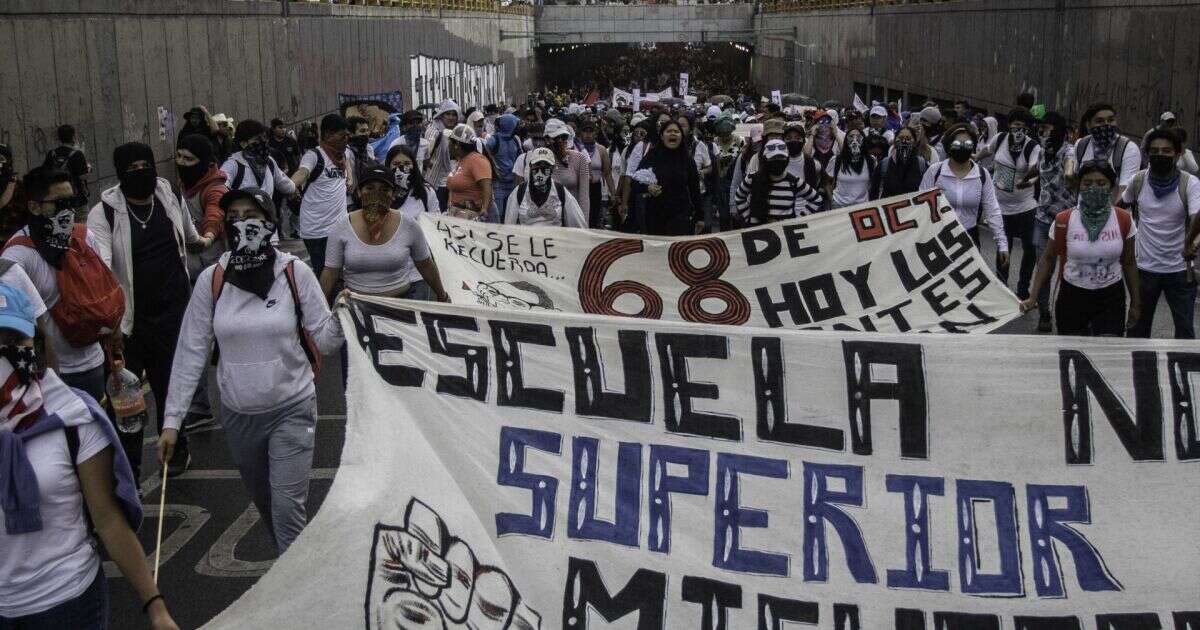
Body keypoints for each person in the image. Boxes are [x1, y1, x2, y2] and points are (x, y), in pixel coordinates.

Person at [158, 187, 343, 554]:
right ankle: (291, 574)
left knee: (288, 512)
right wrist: (172, 421)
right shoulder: (212, 279)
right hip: (240, 417)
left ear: (270, 223)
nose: (242, 223)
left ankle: (298, 599)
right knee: (269, 510)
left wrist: (343, 316)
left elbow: (324, 340)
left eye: (252, 215)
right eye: (234, 217)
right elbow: (191, 349)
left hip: (293, 408)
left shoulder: (294, 273)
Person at [0, 284, 180, 630]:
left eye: (12, 339)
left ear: (33, 345)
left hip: (68, 604)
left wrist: (155, 607)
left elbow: (108, 520)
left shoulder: (71, 416)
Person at [86, 142, 206, 479]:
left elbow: (190, 235)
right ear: (120, 174)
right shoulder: (105, 212)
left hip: (173, 316)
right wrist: (109, 326)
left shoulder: (168, 194)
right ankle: (129, 471)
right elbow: (102, 266)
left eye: (146, 165)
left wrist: (209, 238)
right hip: (129, 325)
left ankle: (178, 446)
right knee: (128, 403)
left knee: (172, 387)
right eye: (132, 168)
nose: (141, 173)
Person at [3, 166, 103, 401]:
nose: (66, 210)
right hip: (53, 376)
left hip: (96, 361)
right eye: (58, 202)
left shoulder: (84, 237)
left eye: (71, 201)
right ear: (34, 207)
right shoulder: (17, 256)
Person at [1022, 162, 1139, 337]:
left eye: (1101, 183)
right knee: (1072, 354)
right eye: (1087, 183)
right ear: (1079, 186)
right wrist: (1033, 296)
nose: (1093, 188)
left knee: (1108, 354)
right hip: (1072, 297)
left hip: (1110, 298)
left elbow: (1129, 263)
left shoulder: (1124, 220)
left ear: (1112, 187)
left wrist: (1136, 304)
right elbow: (1046, 259)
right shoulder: (1064, 220)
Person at [321, 166, 449, 304]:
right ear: (359, 192)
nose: (376, 195)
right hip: (356, 308)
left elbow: (425, 265)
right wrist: (318, 309)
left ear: (393, 195)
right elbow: (330, 272)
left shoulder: (409, 225)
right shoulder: (342, 226)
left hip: (401, 307)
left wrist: (442, 296)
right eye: (369, 189)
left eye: (384, 190)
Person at [1124, 129, 1200, 339]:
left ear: (1178, 154)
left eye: (1166, 151)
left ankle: (1185, 371)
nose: (1160, 155)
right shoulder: (1138, 181)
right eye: (1155, 151)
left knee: (1185, 332)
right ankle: (1138, 371)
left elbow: (1197, 218)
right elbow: (1120, 208)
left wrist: (1192, 243)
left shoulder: (1189, 184)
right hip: (1144, 270)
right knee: (1138, 330)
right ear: (1147, 154)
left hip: (1179, 271)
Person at [975, 108, 1044, 299]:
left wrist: (1027, 179)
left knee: (1029, 249)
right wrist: (974, 158)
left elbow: (1034, 169)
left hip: (1026, 207)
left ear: (1028, 128)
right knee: (1003, 247)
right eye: (1014, 123)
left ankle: (1023, 289)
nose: (1017, 128)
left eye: (1021, 125)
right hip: (1001, 206)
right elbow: (986, 151)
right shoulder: (1000, 139)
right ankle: (1002, 287)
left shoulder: (1033, 147)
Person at [920, 124, 1009, 262]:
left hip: (969, 238)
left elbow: (992, 209)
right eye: (957, 143)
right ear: (949, 146)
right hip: (938, 237)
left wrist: (1002, 243)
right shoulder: (934, 172)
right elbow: (921, 205)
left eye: (967, 143)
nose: (962, 147)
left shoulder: (981, 175)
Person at [290, 113, 354, 276]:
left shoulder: (343, 155)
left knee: (343, 271)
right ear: (327, 135)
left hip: (340, 226)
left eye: (348, 135)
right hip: (317, 230)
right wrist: (291, 185)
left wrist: (350, 178)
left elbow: (346, 164)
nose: (346, 139)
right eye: (342, 135)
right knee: (324, 273)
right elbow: (303, 172)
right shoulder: (314, 156)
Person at [1031, 112, 1077, 332]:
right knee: (1043, 268)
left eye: (1048, 129)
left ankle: (1065, 310)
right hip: (1042, 218)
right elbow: (1040, 173)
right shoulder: (1042, 151)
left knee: (1069, 270)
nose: (1043, 133)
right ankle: (1044, 313)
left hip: (1065, 221)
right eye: (1041, 129)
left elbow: (1069, 166)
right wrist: (1025, 180)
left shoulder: (1069, 151)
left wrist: (1069, 175)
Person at [633, 120, 703, 236]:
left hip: (681, 215)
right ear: (661, 136)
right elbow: (635, 182)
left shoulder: (687, 159)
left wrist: (700, 216)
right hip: (655, 215)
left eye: (676, 131)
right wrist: (648, 188)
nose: (673, 134)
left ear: (681, 136)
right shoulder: (652, 156)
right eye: (669, 131)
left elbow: (695, 189)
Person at [734, 138, 824, 225]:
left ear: (787, 159)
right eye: (773, 158)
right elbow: (739, 196)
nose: (777, 161)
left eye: (781, 157)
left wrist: (798, 219)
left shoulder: (794, 181)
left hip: (784, 234)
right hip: (757, 233)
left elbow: (817, 199)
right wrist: (748, 217)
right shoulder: (752, 178)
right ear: (765, 160)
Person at [504, 148, 588, 228]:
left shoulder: (561, 192)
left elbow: (578, 225)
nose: (540, 171)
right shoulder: (519, 192)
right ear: (530, 166)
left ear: (552, 168)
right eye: (537, 165)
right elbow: (509, 226)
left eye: (545, 166)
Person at [1074, 103, 1142, 199]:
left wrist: (1108, 213)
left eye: (1111, 120)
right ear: (1088, 125)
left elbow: (1124, 193)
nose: (1106, 124)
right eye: (1099, 121)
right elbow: (1076, 183)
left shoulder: (1128, 149)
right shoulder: (1081, 145)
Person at [222, 120, 297, 201]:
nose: (263, 141)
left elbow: (285, 184)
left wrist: (295, 189)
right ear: (243, 144)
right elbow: (220, 188)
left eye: (264, 137)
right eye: (257, 139)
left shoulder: (269, 162)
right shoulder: (233, 164)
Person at [544, 119, 591, 225]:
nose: (560, 141)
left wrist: (584, 224)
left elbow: (584, 197)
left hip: (572, 218)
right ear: (547, 139)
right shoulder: (539, 160)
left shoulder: (579, 159)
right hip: (547, 220)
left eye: (564, 137)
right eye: (556, 137)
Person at [825, 128, 879, 209]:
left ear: (864, 140)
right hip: (839, 205)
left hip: (862, 207)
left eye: (858, 137)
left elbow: (874, 183)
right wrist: (831, 200)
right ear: (846, 140)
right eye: (851, 136)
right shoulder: (836, 160)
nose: (855, 140)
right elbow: (827, 183)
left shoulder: (871, 160)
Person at [484, 113, 523, 223]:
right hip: (498, 184)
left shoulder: (515, 140)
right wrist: (494, 168)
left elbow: (520, 157)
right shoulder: (494, 140)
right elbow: (485, 153)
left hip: (512, 182)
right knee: (499, 214)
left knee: (511, 213)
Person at [384, 145, 441, 220]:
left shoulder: (426, 192)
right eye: (396, 164)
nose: (402, 168)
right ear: (388, 166)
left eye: (407, 163)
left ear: (414, 165)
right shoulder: (381, 190)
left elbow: (436, 222)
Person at [424, 100, 461, 209]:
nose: (451, 117)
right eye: (447, 114)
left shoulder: (457, 132)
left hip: (452, 184)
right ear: (441, 115)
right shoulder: (433, 131)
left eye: (454, 114)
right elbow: (426, 154)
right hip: (436, 183)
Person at [41, 125, 90, 202]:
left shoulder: (52, 154)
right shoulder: (77, 154)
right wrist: (88, 167)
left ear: (59, 138)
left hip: (57, 198)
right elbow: (84, 176)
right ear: (73, 137)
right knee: (81, 213)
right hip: (76, 199)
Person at [579, 119, 611, 229]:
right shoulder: (576, 149)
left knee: (594, 218)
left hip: (595, 188)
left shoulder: (601, 150)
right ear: (580, 133)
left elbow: (607, 173)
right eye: (585, 131)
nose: (588, 134)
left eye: (591, 131)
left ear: (595, 133)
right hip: (580, 188)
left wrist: (614, 193)